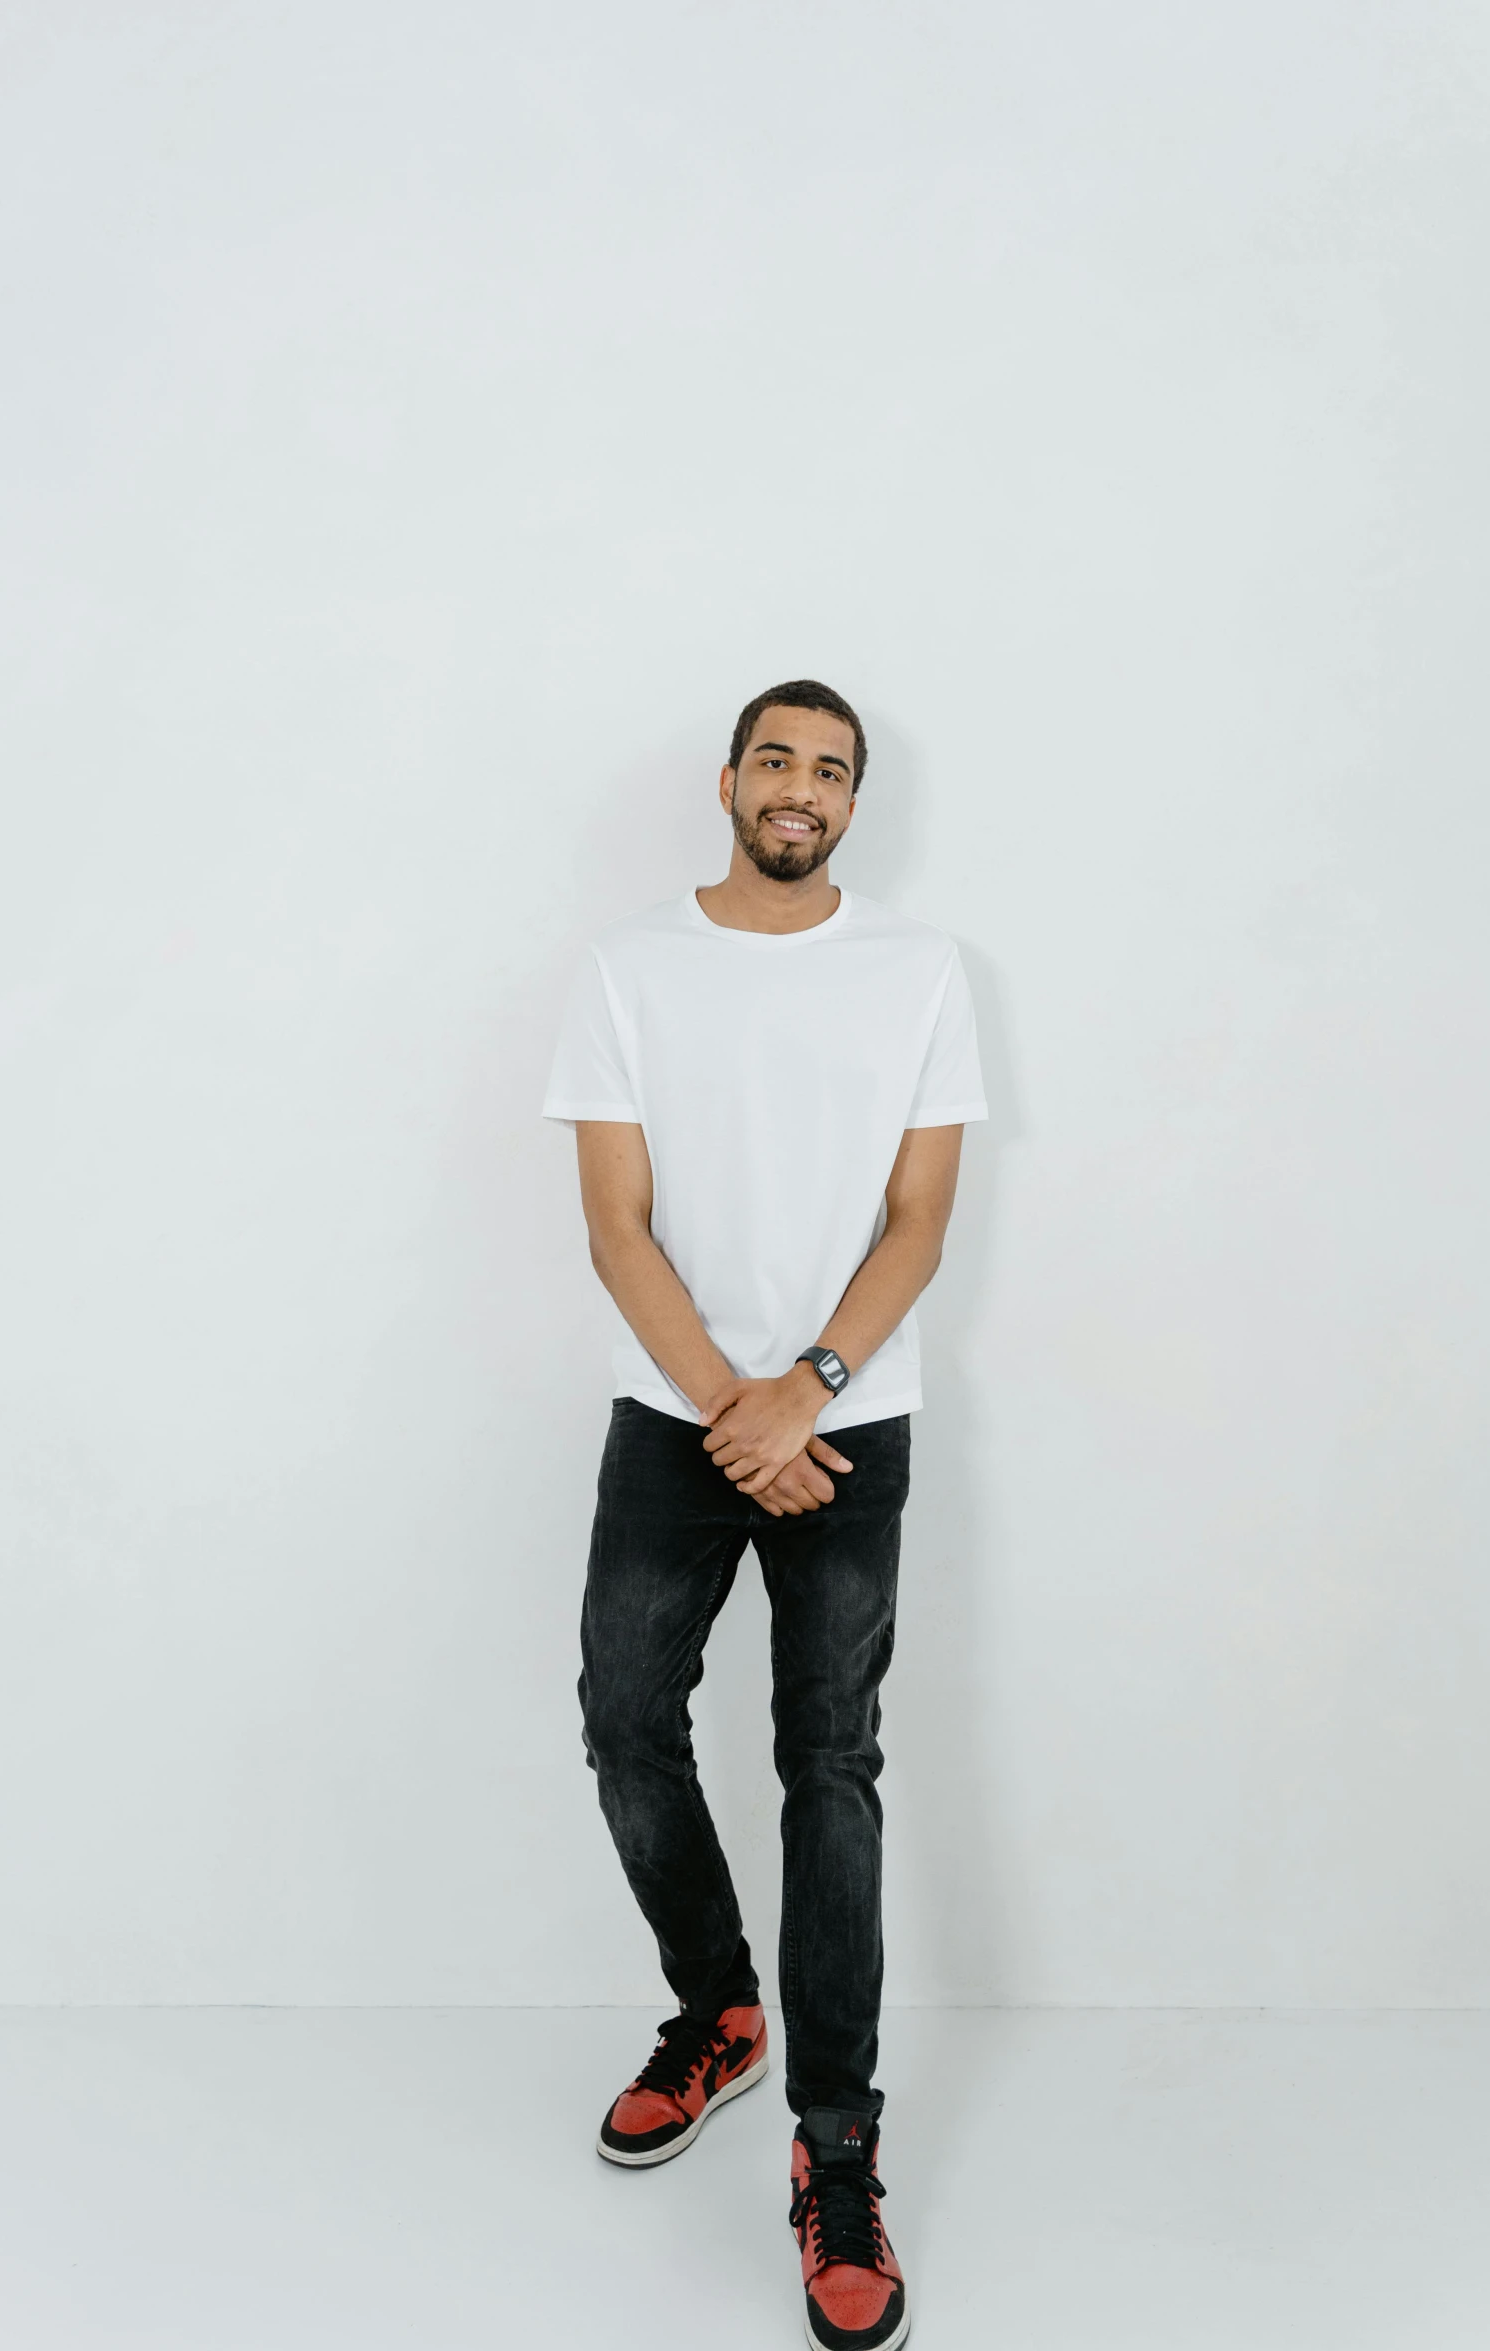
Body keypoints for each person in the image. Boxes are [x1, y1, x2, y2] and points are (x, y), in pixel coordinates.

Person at [542, 679, 987, 2351]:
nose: (804, 789)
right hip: (678, 1415)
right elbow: (614, 1219)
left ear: (852, 804)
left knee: (831, 1763)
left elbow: (920, 1214)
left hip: (848, 1418)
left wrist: (803, 1382)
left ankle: (838, 2149)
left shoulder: (921, 970)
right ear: (729, 780)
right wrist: (737, 1411)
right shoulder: (627, 966)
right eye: (780, 761)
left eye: (835, 771)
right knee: (624, 1718)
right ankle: (716, 2004)